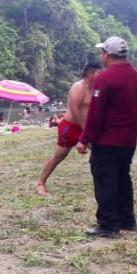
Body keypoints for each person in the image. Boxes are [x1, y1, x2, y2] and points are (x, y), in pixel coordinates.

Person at [76, 36, 137, 238]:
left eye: (102, 52)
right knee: (123, 177)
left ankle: (108, 224)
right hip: (128, 139)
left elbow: (96, 114)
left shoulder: (104, 79)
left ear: (107, 54)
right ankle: (127, 220)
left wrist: (85, 138)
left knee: (106, 180)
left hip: (107, 140)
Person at [36, 63, 102, 196]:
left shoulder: (96, 88)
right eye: (98, 73)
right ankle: (40, 183)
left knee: (100, 151)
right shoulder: (78, 87)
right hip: (70, 126)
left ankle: (104, 182)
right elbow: (75, 110)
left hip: (85, 127)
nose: (101, 76)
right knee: (59, 156)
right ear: (90, 74)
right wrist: (85, 131)